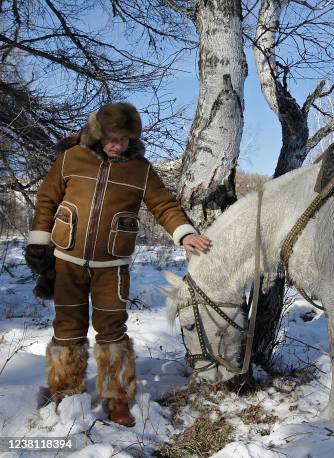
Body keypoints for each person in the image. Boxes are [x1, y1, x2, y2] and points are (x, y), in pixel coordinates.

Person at [25, 102, 210, 427]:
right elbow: (46, 199)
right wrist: (39, 241)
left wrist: (184, 234)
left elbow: (163, 204)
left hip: (113, 266)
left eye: (124, 139)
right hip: (67, 259)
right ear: (98, 133)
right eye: (112, 137)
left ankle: (118, 399)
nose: (117, 145)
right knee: (68, 328)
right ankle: (65, 393)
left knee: (113, 332)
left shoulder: (140, 169)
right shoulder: (71, 158)